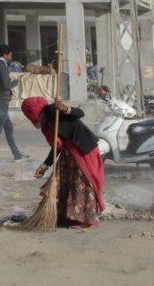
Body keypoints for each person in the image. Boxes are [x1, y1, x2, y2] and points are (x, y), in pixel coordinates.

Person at [21, 97, 105, 229]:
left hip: (81, 149)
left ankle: (88, 219)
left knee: (81, 183)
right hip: (68, 152)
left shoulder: (52, 110)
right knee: (63, 182)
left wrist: (65, 109)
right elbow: (56, 146)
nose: (39, 118)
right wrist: (45, 165)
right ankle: (68, 216)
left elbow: (80, 113)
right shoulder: (45, 127)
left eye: (38, 114)